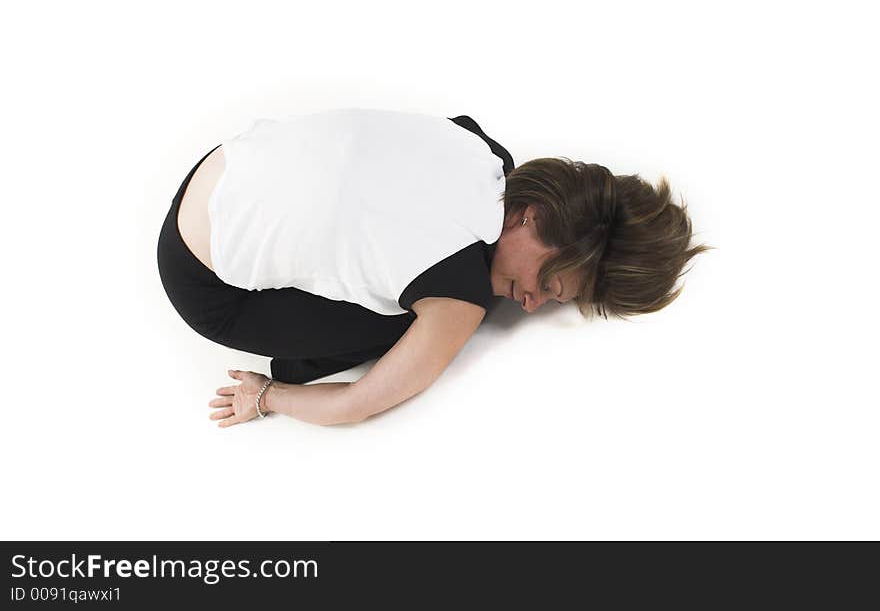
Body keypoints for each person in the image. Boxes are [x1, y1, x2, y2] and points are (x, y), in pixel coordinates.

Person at [157, 108, 710, 428]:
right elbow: (356, 404)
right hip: (206, 285)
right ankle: (293, 366)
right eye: (547, 284)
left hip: (213, 167)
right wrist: (266, 395)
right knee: (402, 321)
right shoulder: (459, 296)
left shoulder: (480, 146)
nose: (531, 303)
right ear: (534, 218)